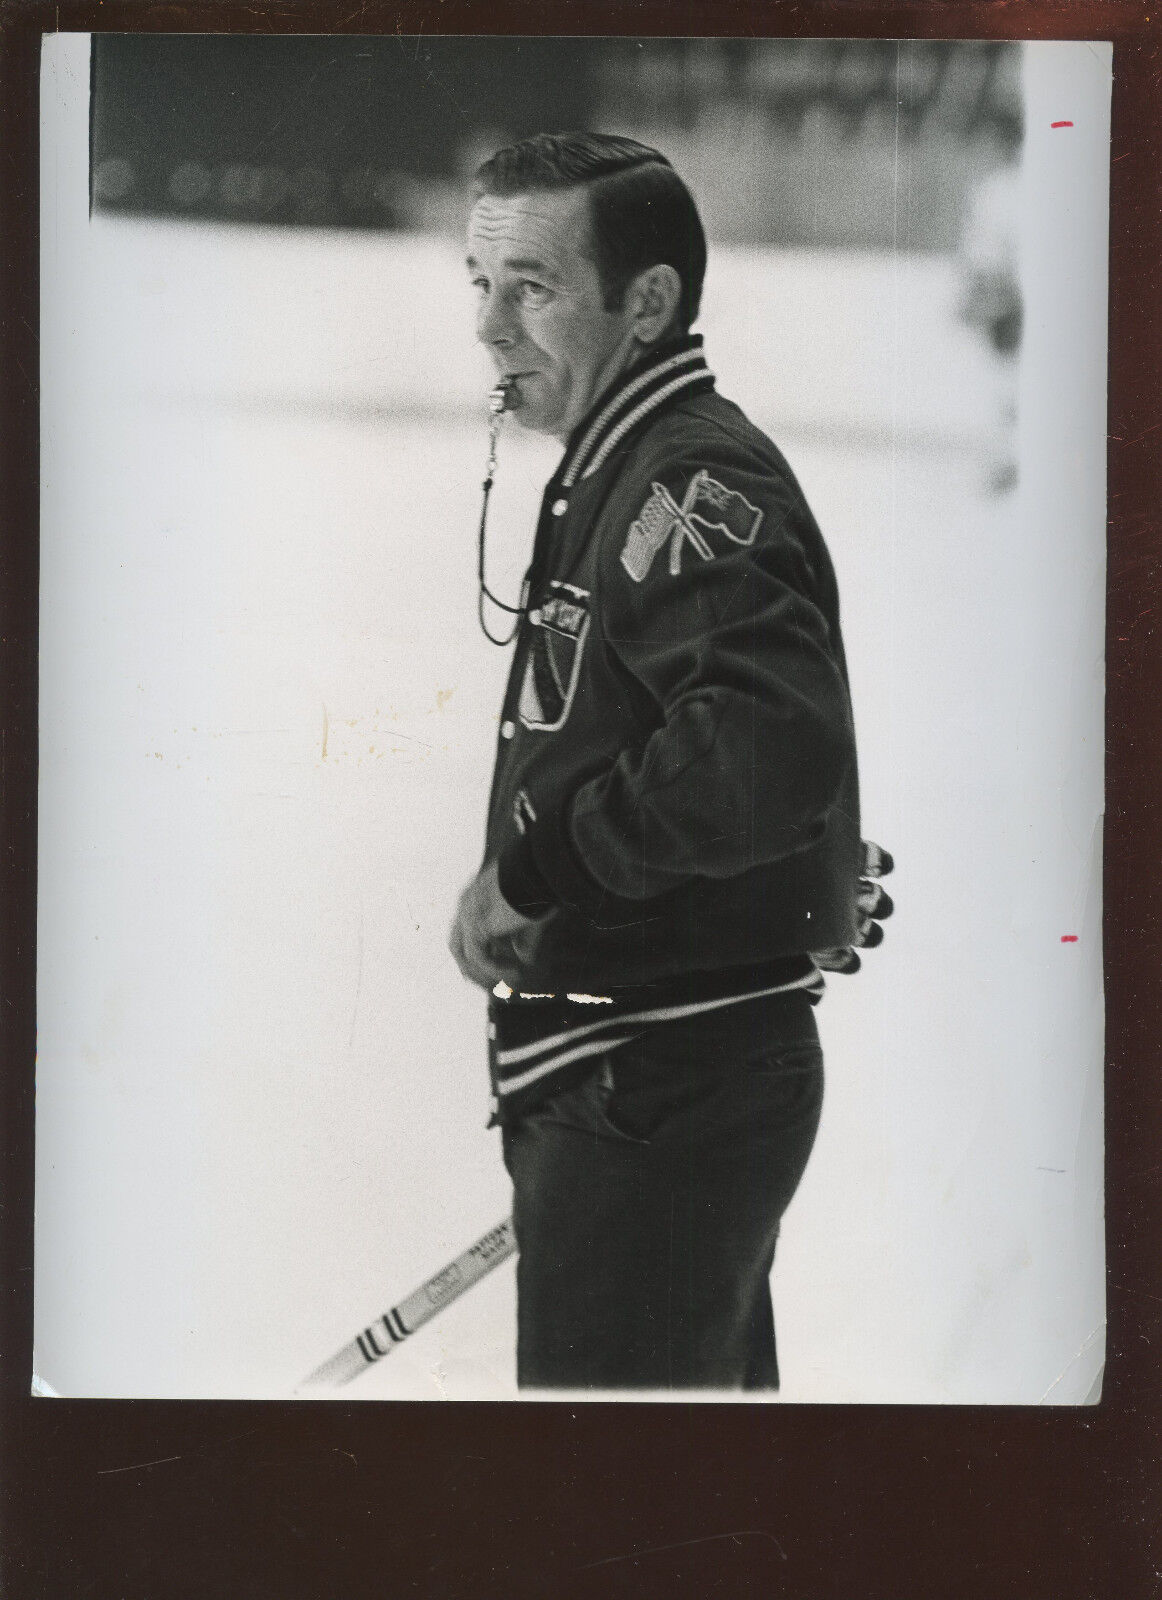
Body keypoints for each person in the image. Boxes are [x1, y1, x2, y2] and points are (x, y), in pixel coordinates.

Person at [448, 132, 891, 1391]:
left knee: (615, 1518)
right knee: (689, 1500)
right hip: (644, 1085)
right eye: (476, 286)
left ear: (646, 302)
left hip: (653, 1093)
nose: (488, 328)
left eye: (529, 286)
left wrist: (535, 871)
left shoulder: (684, 471)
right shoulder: (624, 464)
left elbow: (764, 744)